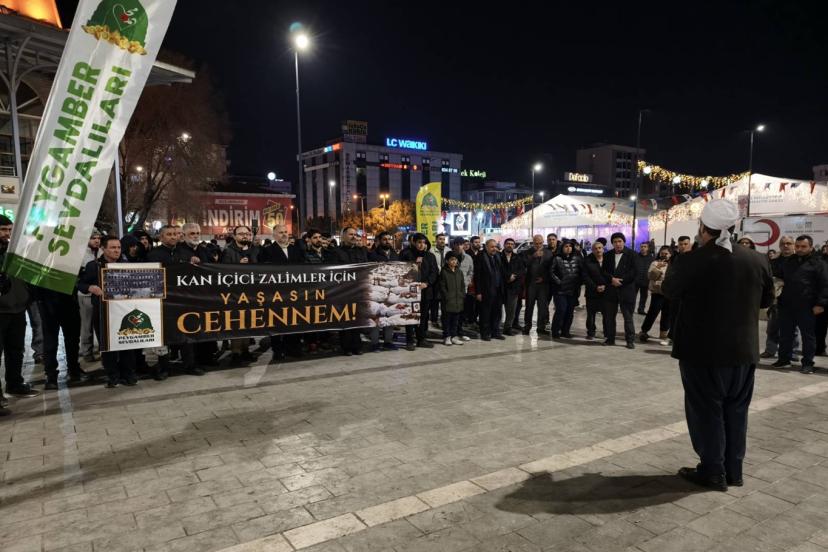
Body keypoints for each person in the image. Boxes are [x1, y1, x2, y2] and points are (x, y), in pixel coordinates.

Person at [662, 200, 773, 491]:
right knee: (736, 410)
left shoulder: (691, 260)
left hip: (702, 352)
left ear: (703, 228)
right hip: (744, 351)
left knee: (706, 411)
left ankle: (713, 471)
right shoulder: (757, 259)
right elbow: (766, 301)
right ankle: (734, 471)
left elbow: (669, 291)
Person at [79, 236, 141, 388]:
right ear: (103, 249)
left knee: (127, 343)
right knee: (107, 345)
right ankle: (112, 375)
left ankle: (128, 374)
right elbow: (80, 283)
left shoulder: (126, 265)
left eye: (118, 247)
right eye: (113, 247)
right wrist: (90, 287)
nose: (116, 250)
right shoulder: (94, 266)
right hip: (102, 311)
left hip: (124, 310)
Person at [771, 235, 828, 374]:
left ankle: (807, 363)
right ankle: (784, 360)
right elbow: (777, 276)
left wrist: (821, 304)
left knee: (808, 336)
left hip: (807, 306)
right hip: (787, 305)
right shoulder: (789, 261)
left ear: (811, 247)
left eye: (803, 246)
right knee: (785, 334)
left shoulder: (819, 263)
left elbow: (825, 285)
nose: (799, 249)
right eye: (797, 246)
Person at [0, 214, 38, 400]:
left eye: (9, 229)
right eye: (3, 230)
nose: (7, 233)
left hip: (17, 308)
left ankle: (15, 383)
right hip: (1, 310)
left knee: (16, 349)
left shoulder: (15, 252)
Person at [219, 225, 260, 363]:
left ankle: (246, 350)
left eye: (247, 233)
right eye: (241, 234)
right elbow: (222, 271)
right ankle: (236, 352)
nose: (245, 236)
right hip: (234, 294)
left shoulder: (254, 250)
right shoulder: (228, 251)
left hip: (251, 292)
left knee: (248, 322)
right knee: (236, 323)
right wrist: (238, 264)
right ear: (235, 236)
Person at [330, 227, 370, 355]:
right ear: (343, 236)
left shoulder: (361, 251)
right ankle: (346, 347)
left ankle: (357, 346)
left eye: (355, 234)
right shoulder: (336, 252)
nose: (353, 237)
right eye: (350, 234)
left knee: (357, 318)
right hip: (344, 292)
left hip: (359, 290)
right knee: (346, 319)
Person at [400, 233, 438, 350]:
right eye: (419, 242)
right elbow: (400, 271)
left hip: (425, 291)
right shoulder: (406, 254)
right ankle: (410, 341)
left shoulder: (430, 256)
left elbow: (434, 272)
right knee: (410, 315)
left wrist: (427, 283)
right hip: (410, 291)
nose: (422, 245)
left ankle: (421, 339)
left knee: (423, 317)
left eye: (424, 242)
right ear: (414, 243)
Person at [760, 236, 796, 358]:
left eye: (789, 243)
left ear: (793, 245)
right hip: (776, 300)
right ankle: (770, 350)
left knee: (792, 329)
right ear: (780, 246)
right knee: (772, 327)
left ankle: (793, 352)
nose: (786, 246)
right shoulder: (774, 261)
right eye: (783, 243)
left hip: (793, 299)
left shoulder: (798, 260)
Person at [602, 232, 637, 349]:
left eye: (620, 241)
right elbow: (603, 271)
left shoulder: (632, 254)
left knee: (628, 317)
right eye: (615, 242)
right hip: (611, 290)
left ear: (624, 242)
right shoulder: (607, 255)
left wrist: (621, 281)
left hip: (626, 290)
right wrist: (611, 279)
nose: (617, 244)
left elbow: (634, 272)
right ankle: (610, 338)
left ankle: (630, 340)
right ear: (612, 243)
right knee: (609, 317)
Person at [549, 240, 583, 339]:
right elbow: (551, 272)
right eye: (566, 246)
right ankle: (555, 330)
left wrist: (579, 282)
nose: (568, 248)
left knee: (570, 311)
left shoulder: (577, 259)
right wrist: (559, 282)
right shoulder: (556, 258)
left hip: (573, 289)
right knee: (561, 310)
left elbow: (582, 272)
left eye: (570, 246)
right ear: (562, 248)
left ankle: (565, 331)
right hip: (560, 290)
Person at [474, 239, 506, 341]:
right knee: (485, 313)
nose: (494, 249)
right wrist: (478, 292)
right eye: (492, 247)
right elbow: (477, 276)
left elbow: (501, 271)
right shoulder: (480, 257)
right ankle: (485, 333)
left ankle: (495, 332)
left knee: (497, 312)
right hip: (486, 290)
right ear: (486, 247)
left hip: (498, 289)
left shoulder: (497, 256)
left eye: (495, 246)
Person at [639, 246, 672, 343]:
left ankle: (663, 333)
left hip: (669, 293)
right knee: (652, 313)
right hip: (657, 293)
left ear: (670, 254)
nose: (664, 255)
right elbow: (650, 276)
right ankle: (644, 331)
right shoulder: (655, 263)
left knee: (667, 314)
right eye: (662, 253)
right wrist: (658, 267)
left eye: (666, 253)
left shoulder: (673, 264)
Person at [78, 230, 101, 362]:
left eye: (98, 238)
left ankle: (101, 349)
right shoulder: (80, 254)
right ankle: (87, 352)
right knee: (87, 325)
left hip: (100, 295)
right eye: (93, 238)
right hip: (85, 294)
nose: (96, 240)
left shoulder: (101, 252)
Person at [523, 235, 553, 335]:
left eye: (540, 243)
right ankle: (527, 326)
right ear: (533, 243)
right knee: (529, 306)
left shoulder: (548, 253)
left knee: (543, 307)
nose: (538, 245)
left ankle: (541, 327)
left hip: (543, 285)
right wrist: (533, 257)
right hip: (531, 283)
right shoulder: (527, 252)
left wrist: (544, 278)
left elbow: (551, 269)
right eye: (536, 243)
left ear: (543, 242)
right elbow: (524, 265)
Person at [582, 241, 608, 340]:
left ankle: (607, 333)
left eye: (600, 248)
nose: (598, 250)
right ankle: (591, 332)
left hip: (606, 292)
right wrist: (595, 287)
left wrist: (606, 286)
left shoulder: (608, 260)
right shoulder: (587, 261)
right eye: (595, 248)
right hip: (591, 292)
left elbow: (612, 275)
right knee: (591, 314)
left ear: (603, 249)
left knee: (606, 314)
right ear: (592, 250)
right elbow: (585, 277)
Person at [449, 237, 474, 342]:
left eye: (461, 244)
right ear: (454, 245)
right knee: (451, 313)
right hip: (451, 290)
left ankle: (460, 332)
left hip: (463, 290)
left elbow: (470, 272)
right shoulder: (449, 256)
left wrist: (466, 282)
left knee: (461, 313)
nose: (459, 246)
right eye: (457, 244)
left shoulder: (468, 258)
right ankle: (451, 334)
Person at [439, 252, 466, 346]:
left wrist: (462, 295)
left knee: (455, 320)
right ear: (447, 261)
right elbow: (442, 287)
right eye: (452, 259)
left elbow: (462, 285)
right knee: (447, 320)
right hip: (448, 301)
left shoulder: (459, 272)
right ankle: (447, 337)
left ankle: (454, 337)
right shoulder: (444, 272)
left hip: (458, 300)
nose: (454, 261)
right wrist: (447, 296)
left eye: (455, 259)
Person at [500, 238, 526, 336]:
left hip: (513, 287)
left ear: (514, 246)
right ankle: (496, 327)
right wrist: (508, 277)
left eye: (512, 244)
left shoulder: (517, 257)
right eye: (508, 243)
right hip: (501, 286)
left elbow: (522, 270)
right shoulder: (499, 256)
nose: (510, 245)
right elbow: (498, 269)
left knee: (511, 310)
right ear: (504, 245)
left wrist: (514, 276)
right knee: (498, 309)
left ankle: (507, 328)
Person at [429, 233, 448, 327]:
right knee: (435, 300)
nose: (442, 241)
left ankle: (444, 320)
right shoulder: (431, 251)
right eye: (440, 239)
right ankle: (434, 319)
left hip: (446, 279)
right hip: (436, 278)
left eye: (443, 239)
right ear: (436, 240)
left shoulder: (448, 250)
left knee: (445, 300)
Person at [634, 242, 654, 314]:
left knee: (644, 296)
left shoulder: (651, 258)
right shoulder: (635, 257)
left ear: (648, 248)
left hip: (646, 280)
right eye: (642, 246)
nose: (643, 248)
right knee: (633, 296)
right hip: (635, 280)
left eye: (645, 246)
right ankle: (630, 308)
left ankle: (641, 309)